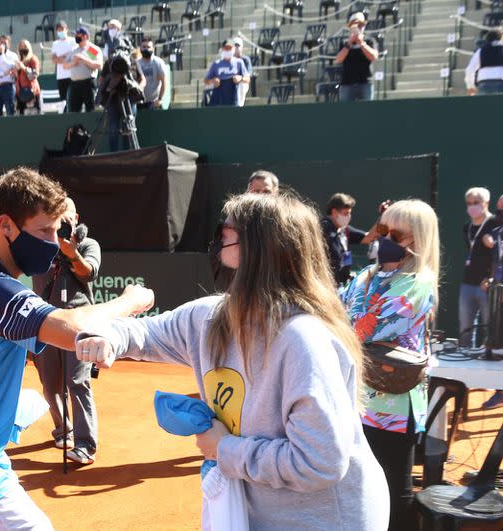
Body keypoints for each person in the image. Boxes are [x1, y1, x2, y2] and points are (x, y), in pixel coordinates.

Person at [75, 192, 389, 530]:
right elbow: (148, 333)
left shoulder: (303, 340)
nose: (215, 249)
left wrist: (226, 448)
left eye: (223, 238)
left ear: (259, 255)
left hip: (324, 520)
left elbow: (320, 463)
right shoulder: (211, 317)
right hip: (258, 512)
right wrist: (110, 339)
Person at [0, 167, 154, 531]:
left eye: (57, 231)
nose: (55, 242)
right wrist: (129, 301)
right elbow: (73, 326)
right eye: (45, 231)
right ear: (6, 226)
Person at [342, 199, 439, 531]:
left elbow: (367, 327)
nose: (384, 239)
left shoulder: (419, 282)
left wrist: (346, 325)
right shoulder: (366, 275)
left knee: (394, 489)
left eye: (395, 235)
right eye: (382, 229)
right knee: (361, 482)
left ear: (416, 240)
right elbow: (341, 315)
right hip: (359, 396)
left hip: (395, 401)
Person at [32, 198, 101, 464]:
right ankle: (63, 429)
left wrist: (72, 252)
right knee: (50, 384)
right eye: (57, 217)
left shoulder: (88, 244)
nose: (63, 222)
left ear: (76, 216)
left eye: (67, 217)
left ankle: (85, 445)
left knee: (76, 381)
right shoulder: (40, 247)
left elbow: (88, 273)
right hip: (46, 322)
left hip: (79, 323)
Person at [460, 187, 499, 348]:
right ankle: (464, 355)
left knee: (491, 325)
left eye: (476, 202)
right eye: (469, 203)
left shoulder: (495, 224)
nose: (472, 206)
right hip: (467, 282)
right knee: (465, 327)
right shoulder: (467, 227)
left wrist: (491, 277)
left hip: (488, 284)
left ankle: (489, 355)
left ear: (486, 203)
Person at [321, 193, 382, 287]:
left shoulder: (344, 230)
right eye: (345, 213)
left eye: (350, 213)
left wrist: (383, 217)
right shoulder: (323, 227)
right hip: (326, 285)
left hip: (342, 284)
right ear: (334, 212)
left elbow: (369, 238)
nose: (349, 216)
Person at [481, 194, 503, 409]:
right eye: (499, 209)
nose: (500, 214)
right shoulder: (497, 233)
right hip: (498, 293)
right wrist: (490, 278)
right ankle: (500, 390)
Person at [335, 12, 379, 102]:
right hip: (347, 84)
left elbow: (374, 56)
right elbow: (338, 60)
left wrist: (361, 43)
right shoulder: (344, 43)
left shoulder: (370, 41)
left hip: (365, 83)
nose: (358, 28)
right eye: (354, 25)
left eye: (360, 25)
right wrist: (349, 43)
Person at [64, 27, 102, 113]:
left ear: (85, 36)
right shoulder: (74, 50)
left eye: (78, 35)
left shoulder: (90, 49)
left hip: (87, 83)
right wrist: (73, 63)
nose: (76, 37)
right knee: (74, 111)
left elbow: (98, 65)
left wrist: (83, 59)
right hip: (75, 84)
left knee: (90, 109)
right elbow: (65, 66)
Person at [204, 40, 247, 107]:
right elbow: (206, 81)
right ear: (223, 49)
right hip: (218, 99)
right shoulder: (216, 64)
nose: (228, 50)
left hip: (233, 98)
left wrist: (240, 78)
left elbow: (248, 78)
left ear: (233, 49)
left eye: (230, 48)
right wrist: (213, 81)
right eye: (226, 48)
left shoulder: (239, 63)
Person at [465, 28, 503, 95]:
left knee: (484, 105)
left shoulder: (480, 51)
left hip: (484, 82)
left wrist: (470, 86)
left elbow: (469, 70)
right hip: (500, 80)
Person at [51, 20, 76, 106]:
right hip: (61, 76)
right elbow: (54, 60)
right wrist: (66, 57)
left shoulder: (73, 41)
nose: (60, 32)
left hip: (72, 75)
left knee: (73, 99)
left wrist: (61, 58)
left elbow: (73, 55)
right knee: (63, 100)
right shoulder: (55, 44)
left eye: (62, 29)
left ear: (66, 29)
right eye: (58, 30)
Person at [138, 38, 166, 110]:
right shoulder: (137, 63)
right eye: (144, 47)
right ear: (140, 48)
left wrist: (160, 98)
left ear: (153, 49)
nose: (146, 49)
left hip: (153, 103)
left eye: (148, 47)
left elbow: (164, 81)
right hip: (139, 102)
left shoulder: (158, 62)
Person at [15, 39, 41, 116]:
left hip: (31, 92)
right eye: (21, 47)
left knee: (33, 116)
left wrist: (24, 68)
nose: (23, 48)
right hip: (20, 93)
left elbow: (34, 75)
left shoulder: (33, 59)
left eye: (25, 46)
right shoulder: (19, 61)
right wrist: (15, 71)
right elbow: (16, 78)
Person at [233, 37, 253, 106]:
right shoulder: (229, 60)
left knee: (241, 86)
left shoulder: (246, 60)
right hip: (231, 83)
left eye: (238, 46)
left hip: (242, 83)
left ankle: (239, 107)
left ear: (242, 47)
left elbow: (248, 79)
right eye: (235, 46)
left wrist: (240, 78)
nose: (236, 48)